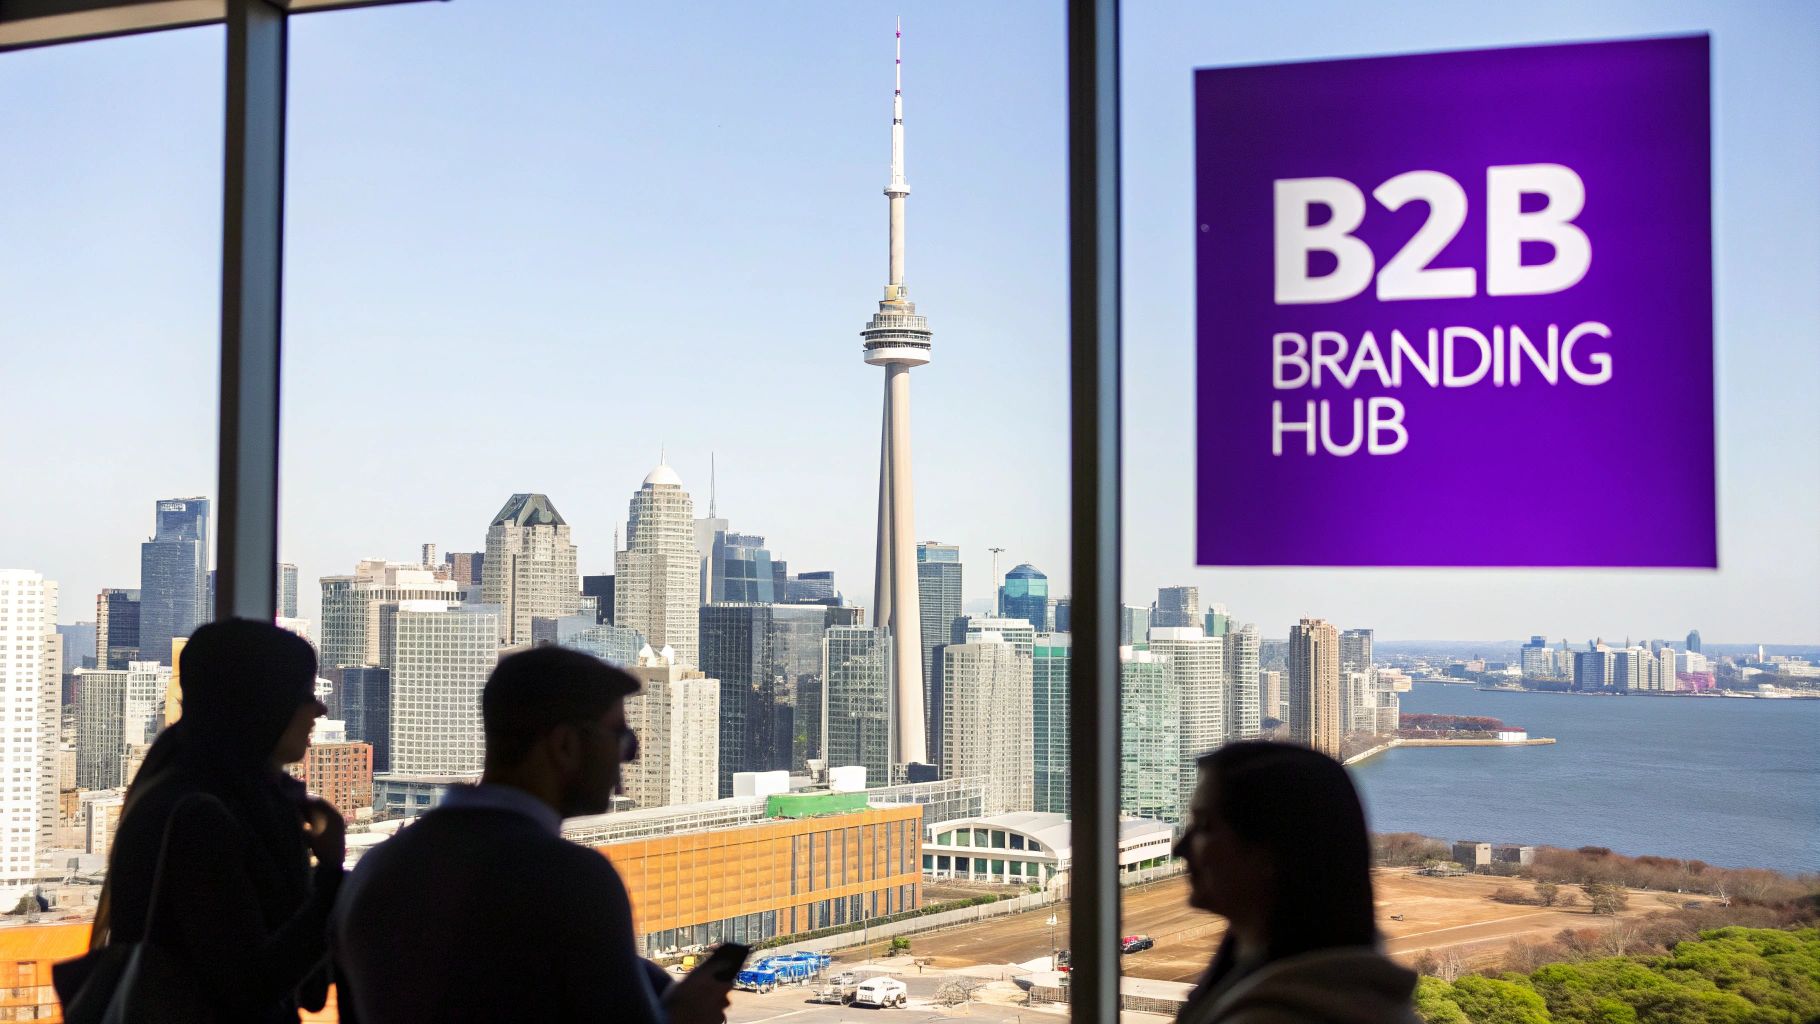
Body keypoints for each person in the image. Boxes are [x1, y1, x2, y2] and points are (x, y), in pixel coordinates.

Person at [333, 646, 733, 1024]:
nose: (630, 756)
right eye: (619, 737)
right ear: (564, 744)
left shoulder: (376, 869)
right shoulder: (572, 879)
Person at [95, 618, 345, 1023]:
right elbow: (250, 989)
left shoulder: (240, 802)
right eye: (303, 695)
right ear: (262, 707)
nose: (320, 708)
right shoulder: (203, 820)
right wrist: (330, 877)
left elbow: (308, 987)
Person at [1173, 742, 1420, 1024]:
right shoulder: (1346, 988)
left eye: (1205, 826)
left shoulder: (1274, 1015)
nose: (1179, 848)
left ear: (1271, 851)